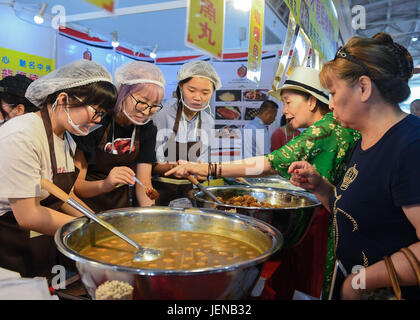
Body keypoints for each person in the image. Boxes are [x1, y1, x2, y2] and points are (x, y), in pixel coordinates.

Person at [165, 66, 361, 299]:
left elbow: (270, 162)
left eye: (288, 102)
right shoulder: (327, 127)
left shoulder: (324, 129)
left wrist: (207, 169)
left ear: (311, 101)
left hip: (332, 224)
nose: (285, 111)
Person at [288, 33, 420, 300]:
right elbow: (365, 215)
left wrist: (360, 281)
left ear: (363, 88)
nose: (331, 103)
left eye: (333, 93)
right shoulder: (365, 140)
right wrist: (322, 188)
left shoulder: (410, 146)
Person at [0, 59, 117, 278]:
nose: (97, 121)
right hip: (10, 242)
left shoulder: (67, 138)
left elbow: (64, 194)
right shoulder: (22, 135)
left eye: (102, 115)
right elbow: (28, 215)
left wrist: (97, 220)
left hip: (41, 241)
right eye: (95, 111)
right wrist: (91, 231)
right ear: (63, 99)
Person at [72, 61, 165, 211]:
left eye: (154, 105)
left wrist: (152, 216)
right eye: (142, 102)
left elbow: (144, 183)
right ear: (123, 91)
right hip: (86, 206)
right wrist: (105, 184)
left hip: (120, 206)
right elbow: (77, 186)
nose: (147, 112)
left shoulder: (147, 129)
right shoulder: (96, 121)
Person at [152, 60, 221, 206]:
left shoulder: (208, 121)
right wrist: (174, 166)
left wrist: (202, 172)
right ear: (180, 86)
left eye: (205, 92)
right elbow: (152, 164)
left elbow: (203, 161)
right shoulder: (162, 115)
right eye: (191, 90)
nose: (198, 97)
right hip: (161, 191)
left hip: (191, 191)